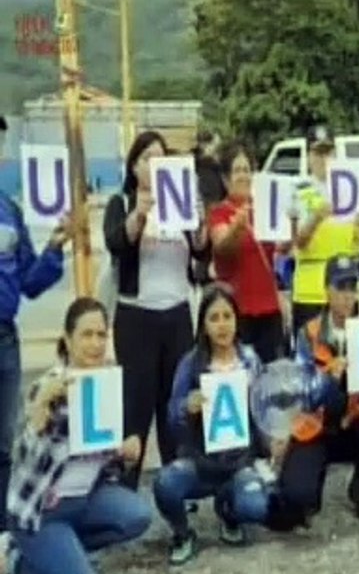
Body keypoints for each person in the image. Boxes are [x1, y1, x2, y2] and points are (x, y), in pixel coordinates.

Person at [0, 298, 151, 574]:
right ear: (67, 340)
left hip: (84, 499)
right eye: (86, 335)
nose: (95, 344)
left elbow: (100, 460)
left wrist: (124, 451)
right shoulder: (48, 387)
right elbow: (23, 459)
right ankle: (13, 561)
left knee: (138, 515)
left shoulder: (105, 383)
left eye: (101, 335)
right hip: (42, 509)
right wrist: (39, 413)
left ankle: (62, 553)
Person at [103, 130, 208, 488]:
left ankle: (176, 484)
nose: (155, 164)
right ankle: (127, 485)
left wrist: (197, 220)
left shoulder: (180, 199)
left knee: (174, 404)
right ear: (134, 166)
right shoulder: (122, 200)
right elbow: (116, 241)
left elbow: (200, 251)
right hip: (137, 316)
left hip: (177, 312)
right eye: (147, 157)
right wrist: (140, 213)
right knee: (136, 405)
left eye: (161, 156)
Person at [153, 285, 270, 565]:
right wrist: (186, 408)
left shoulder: (251, 361)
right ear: (203, 325)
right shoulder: (190, 363)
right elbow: (171, 417)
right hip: (200, 461)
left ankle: (228, 511)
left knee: (257, 507)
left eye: (227, 316)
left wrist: (272, 441)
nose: (222, 325)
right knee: (165, 484)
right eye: (213, 318)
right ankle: (182, 533)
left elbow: (267, 409)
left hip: (241, 461)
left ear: (236, 320)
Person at [277, 256, 359, 521]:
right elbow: (302, 392)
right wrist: (329, 377)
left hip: (354, 422)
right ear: (326, 290)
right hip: (318, 427)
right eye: (340, 287)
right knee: (296, 498)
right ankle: (313, 482)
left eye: (352, 288)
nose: (347, 295)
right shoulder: (309, 333)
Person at [0, 165, 71, 532]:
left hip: (5, 339)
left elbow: (29, 281)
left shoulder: (9, 210)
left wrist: (55, 247)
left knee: (3, 444)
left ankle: (2, 536)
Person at [209, 142, 285, 363]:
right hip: (237, 310)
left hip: (269, 307)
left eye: (247, 170)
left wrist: (293, 222)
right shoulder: (219, 213)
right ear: (225, 178)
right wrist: (237, 228)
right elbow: (222, 247)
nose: (243, 176)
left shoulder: (265, 209)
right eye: (237, 170)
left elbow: (283, 247)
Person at [289, 125, 359, 333]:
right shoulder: (298, 191)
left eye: (327, 152)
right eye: (318, 153)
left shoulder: (350, 188)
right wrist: (316, 217)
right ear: (308, 156)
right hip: (310, 290)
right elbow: (297, 242)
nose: (324, 159)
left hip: (345, 289)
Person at [192, 129, 225, 287]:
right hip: (211, 248)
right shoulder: (209, 169)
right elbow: (212, 204)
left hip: (205, 245)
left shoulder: (196, 167)